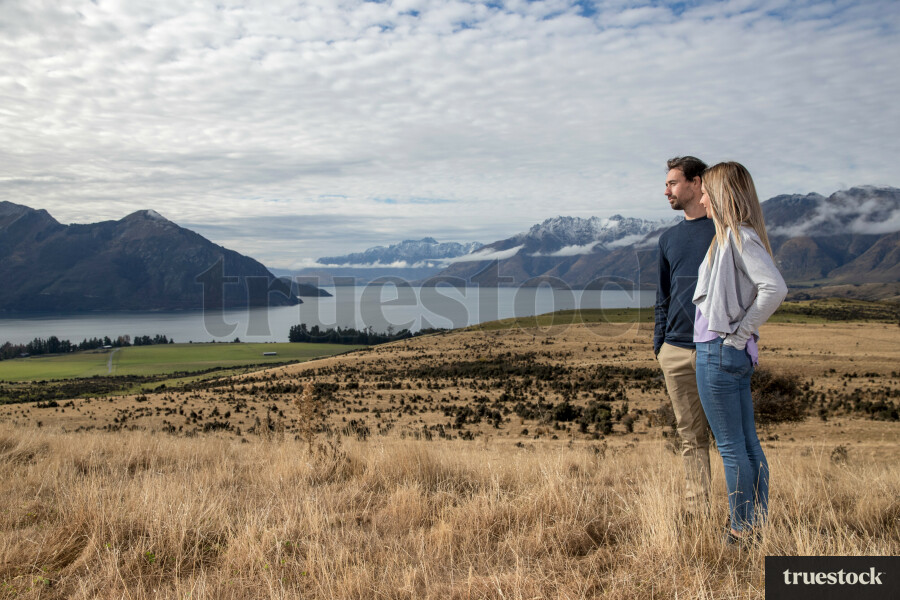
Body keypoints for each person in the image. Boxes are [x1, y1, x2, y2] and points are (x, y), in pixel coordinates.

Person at [692, 161, 787, 543]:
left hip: (719, 350)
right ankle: (754, 526)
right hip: (729, 351)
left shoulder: (738, 237)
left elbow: (775, 289)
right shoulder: (733, 237)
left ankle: (739, 530)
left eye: (706, 192)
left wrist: (738, 333)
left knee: (732, 449)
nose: (701, 198)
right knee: (747, 445)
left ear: (720, 195)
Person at [654, 156, 716, 514]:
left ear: (696, 183)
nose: (666, 192)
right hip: (675, 351)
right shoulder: (668, 239)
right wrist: (660, 344)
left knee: (728, 438)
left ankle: (744, 517)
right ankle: (698, 513)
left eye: (672, 183)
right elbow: (662, 295)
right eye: (666, 185)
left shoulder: (724, 229)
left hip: (716, 348)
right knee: (691, 437)